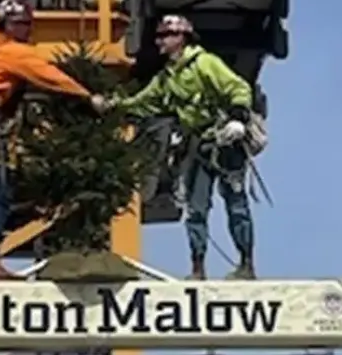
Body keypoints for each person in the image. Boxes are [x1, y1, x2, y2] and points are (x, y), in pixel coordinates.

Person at [0, 0, 106, 280]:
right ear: (7, 26)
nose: (28, 30)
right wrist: (86, 96)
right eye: (22, 24)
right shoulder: (13, 52)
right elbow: (49, 76)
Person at [104, 15, 258, 280]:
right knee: (196, 208)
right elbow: (143, 102)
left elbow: (237, 88)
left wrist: (238, 117)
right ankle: (198, 269)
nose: (159, 41)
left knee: (236, 203)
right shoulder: (167, 78)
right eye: (159, 36)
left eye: (165, 36)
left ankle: (246, 264)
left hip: (225, 141)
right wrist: (113, 105)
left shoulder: (205, 63)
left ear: (181, 38)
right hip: (198, 145)